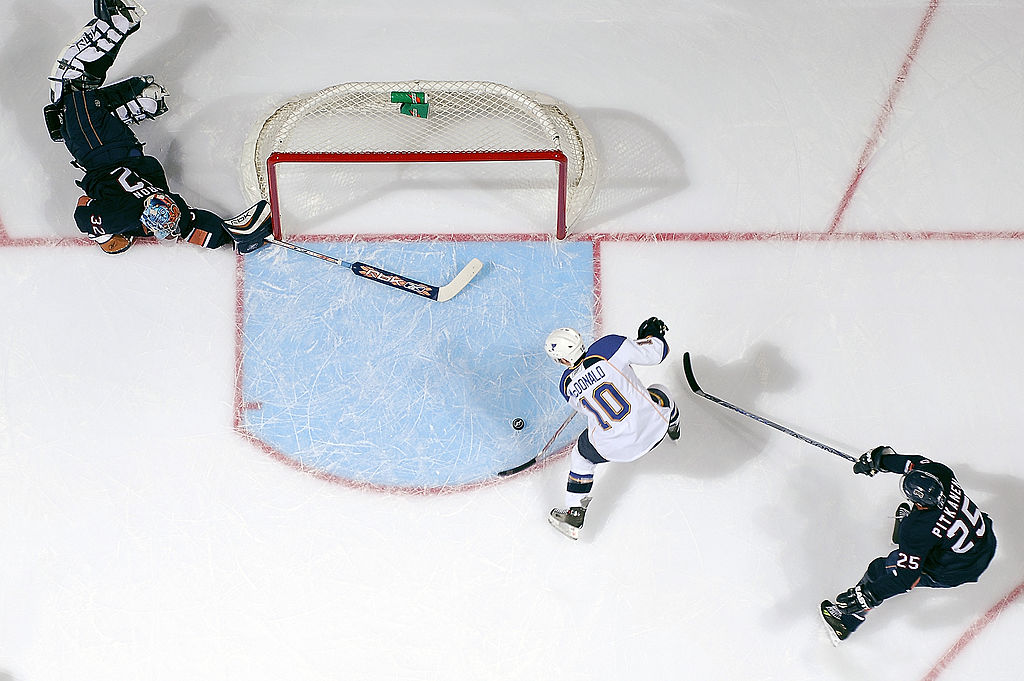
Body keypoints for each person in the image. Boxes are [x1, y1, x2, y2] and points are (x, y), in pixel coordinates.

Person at [44, 1, 273, 255]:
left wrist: (236, 239)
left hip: (122, 149)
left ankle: (139, 101)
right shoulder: (118, 223)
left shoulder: (146, 224)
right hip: (100, 151)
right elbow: (84, 209)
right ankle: (117, 23)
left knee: (65, 114)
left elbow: (193, 230)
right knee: (70, 85)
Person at [820, 446, 997, 642]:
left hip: (957, 569)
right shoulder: (942, 474)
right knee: (921, 533)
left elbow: (906, 579)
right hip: (985, 542)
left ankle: (846, 621)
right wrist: (882, 461)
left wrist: (870, 594)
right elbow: (913, 464)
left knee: (879, 569)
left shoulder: (916, 529)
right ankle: (913, 550)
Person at [544, 318, 680, 540]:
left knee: (581, 456)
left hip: (614, 448)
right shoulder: (609, 346)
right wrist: (652, 337)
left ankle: (575, 511)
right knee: (660, 391)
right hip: (655, 429)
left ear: (561, 359)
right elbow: (658, 353)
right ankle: (673, 425)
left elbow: (586, 405)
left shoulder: (566, 385)